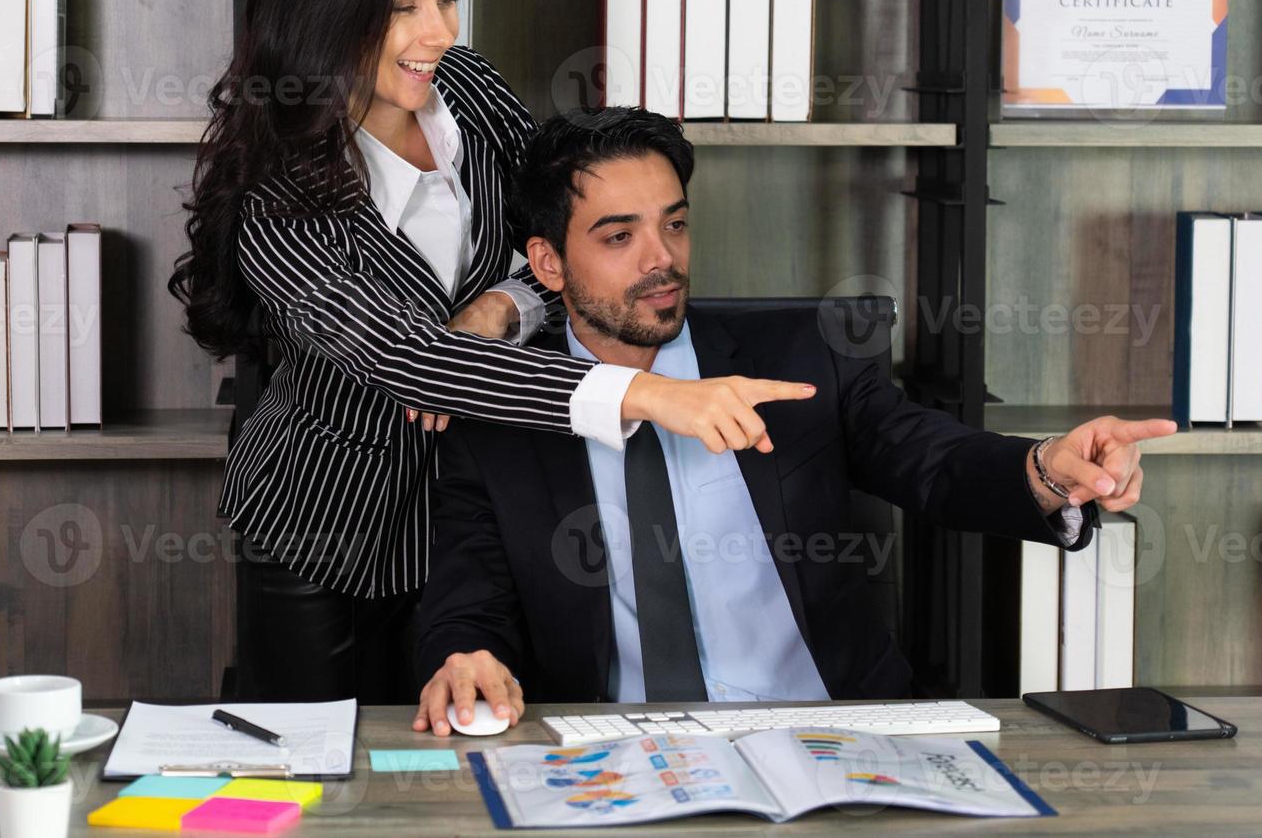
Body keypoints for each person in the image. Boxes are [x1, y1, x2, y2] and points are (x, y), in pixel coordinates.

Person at [166, 0, 812, 705]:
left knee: (468, 756)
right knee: (324, 776)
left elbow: (556, 240)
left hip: (486, 510)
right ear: (329, 12)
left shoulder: (466, 89)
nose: (440, 32)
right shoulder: (280, 202)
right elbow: (409, 359)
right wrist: (650, 395)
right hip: (328, 528)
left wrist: (505, 306)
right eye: (404, 7)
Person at [412, 107, 1175, 734]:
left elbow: (931, 460)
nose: (662, 259)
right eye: (620, 237)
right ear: (546, 264)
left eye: (674, 225)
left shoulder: (804, 353)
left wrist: (1045, 468)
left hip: (831, 736)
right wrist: (466, 656)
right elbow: (469, 597)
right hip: (617, 756)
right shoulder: (503, 412)